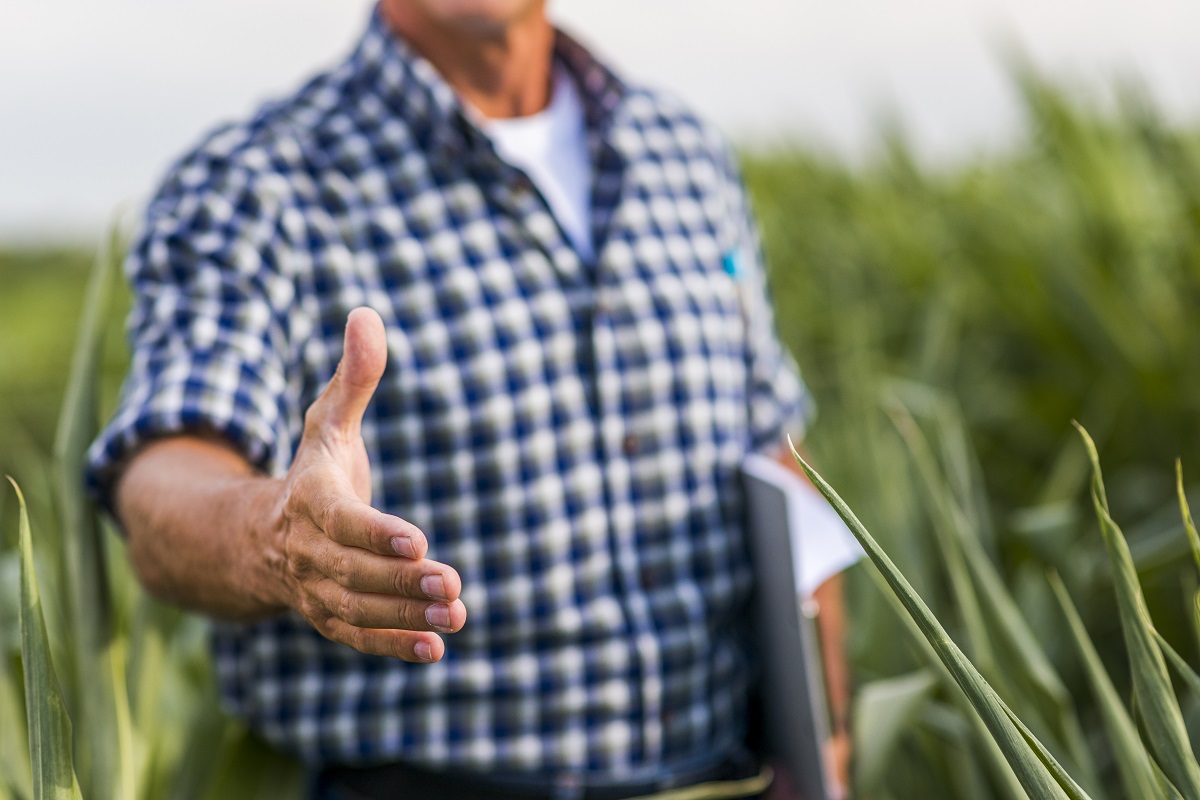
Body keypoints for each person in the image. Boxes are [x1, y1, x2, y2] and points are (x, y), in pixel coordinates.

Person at [86, 1, 852, 797]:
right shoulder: (255, 189)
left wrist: (827, 741)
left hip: (728, 772)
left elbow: (777, 459)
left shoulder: (684, 156)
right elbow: (163, 482)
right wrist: (279, 534)